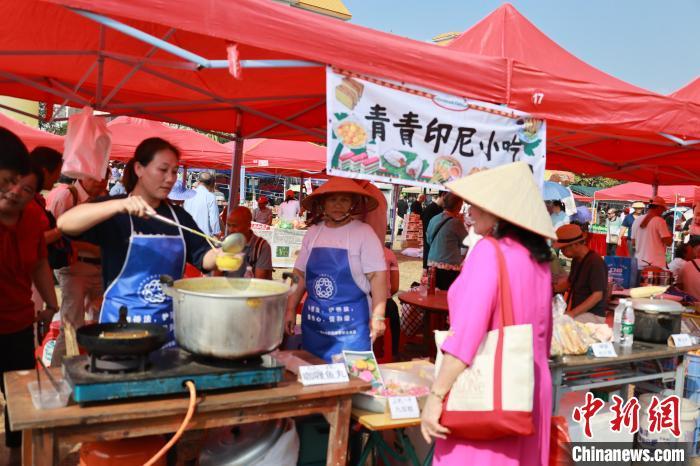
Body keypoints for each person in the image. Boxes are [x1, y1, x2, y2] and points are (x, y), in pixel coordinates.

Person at [420, 162, 554, 466]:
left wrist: (437, 395)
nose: (471, 211)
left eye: (479, 205)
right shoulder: (539, 261)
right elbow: (544, 335)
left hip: (489, 390)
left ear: (501, 211)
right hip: (529, 385)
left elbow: (467, 334)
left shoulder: (489, 252)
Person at [57, 138, 221, 345]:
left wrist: (220, 256)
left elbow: (202, 256)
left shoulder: (179, 217)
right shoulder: (113, 209)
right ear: (139, 169)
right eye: (163, 170)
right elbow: (65, 224)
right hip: (119, 331)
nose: (170, 178)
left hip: (167, 332)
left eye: (174, 171)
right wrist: (118, 206)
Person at [283, 177, 387, 362]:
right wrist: (290, 308)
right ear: (323, 203)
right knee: (314, 378)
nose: (338, 205)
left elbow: (378, 276)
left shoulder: (363, 233)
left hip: (352, 328)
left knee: (352, 383)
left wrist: (378, 316)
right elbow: (299, 273)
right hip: (315, 324)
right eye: (332, 200)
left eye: (344, 200)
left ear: (352, 204)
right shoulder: (313, 232)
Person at [1, 160, 59, 449]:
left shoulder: (32, 220)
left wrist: (51, 304)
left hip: (17, 323)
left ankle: (15, 453)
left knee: (20, 398)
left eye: (26, 189)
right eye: (9, 181)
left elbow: (39, 264)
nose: (14, 192)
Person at [553, 224, 608, 323]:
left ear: (575, 244)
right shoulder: (576, 260)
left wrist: (572, 313)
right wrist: (551, 288)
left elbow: (597, 295)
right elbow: (569, 283)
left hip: (593, 315)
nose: (562, 252)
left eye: (563, 249)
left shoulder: (595, 262)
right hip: (580, 313)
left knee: (559, 326)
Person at [426, 193, 468, 290]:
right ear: (458, 206)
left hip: (432, 263)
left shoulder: (434, 219)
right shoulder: (456, 223)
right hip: (449, 266)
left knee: (433, 294)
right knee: (445, 297)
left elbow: (428, 240)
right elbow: (466, 241)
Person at [224, 206, 273, 279]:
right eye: (228, 225)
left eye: (235, 226)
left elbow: (259, 281)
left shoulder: (261, 246)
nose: (230, 230)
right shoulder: (225, 242)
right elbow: (216, 275)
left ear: (248, 225)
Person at [631, 196, 672, 269]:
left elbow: (633, 242)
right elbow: (668, 242)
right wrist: (670, 234)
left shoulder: (637, 220)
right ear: (659, 208)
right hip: (655, 264)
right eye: (663, 209)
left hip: (639, 263)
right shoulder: (660, 221)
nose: (663, 212)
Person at [184, 172, 221, 237]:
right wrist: (217, 233)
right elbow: (214, 219)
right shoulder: (210, 196)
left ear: (198, 181)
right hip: (203, 236)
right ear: (211, 184)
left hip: (187, 234)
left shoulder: (188, 194)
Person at [421, 191, 446, 269]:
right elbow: (428, 231)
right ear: (443, 195)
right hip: (431, 249)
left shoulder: (439, 209)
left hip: (435, 250)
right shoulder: (431, 209)